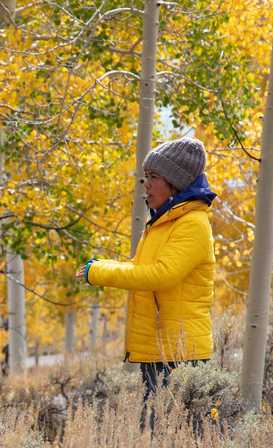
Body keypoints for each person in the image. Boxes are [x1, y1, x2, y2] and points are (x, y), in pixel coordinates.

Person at [76, 136, 217, 425]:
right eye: (145, 177)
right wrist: (101, 265)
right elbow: (144, 268)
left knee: (164, 439)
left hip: (180, 355)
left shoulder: (192, 224)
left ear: (175, 183)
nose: (146, 185)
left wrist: (100, 273)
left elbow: (161, 275)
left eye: (153, 177)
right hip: (162, 351)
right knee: (156, 440)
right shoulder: (165, 221)